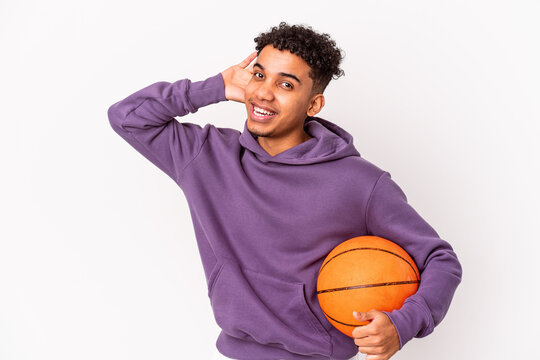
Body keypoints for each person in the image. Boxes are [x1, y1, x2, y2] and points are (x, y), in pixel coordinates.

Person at [107, 22, 462, 360]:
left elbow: (440, 260)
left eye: (286, 85)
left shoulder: (359, 182)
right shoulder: (205, 155)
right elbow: (127, 116)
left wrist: (403, 323)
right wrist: (217, 86)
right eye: (259, 75)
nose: (263, 92)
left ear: (313, 105)